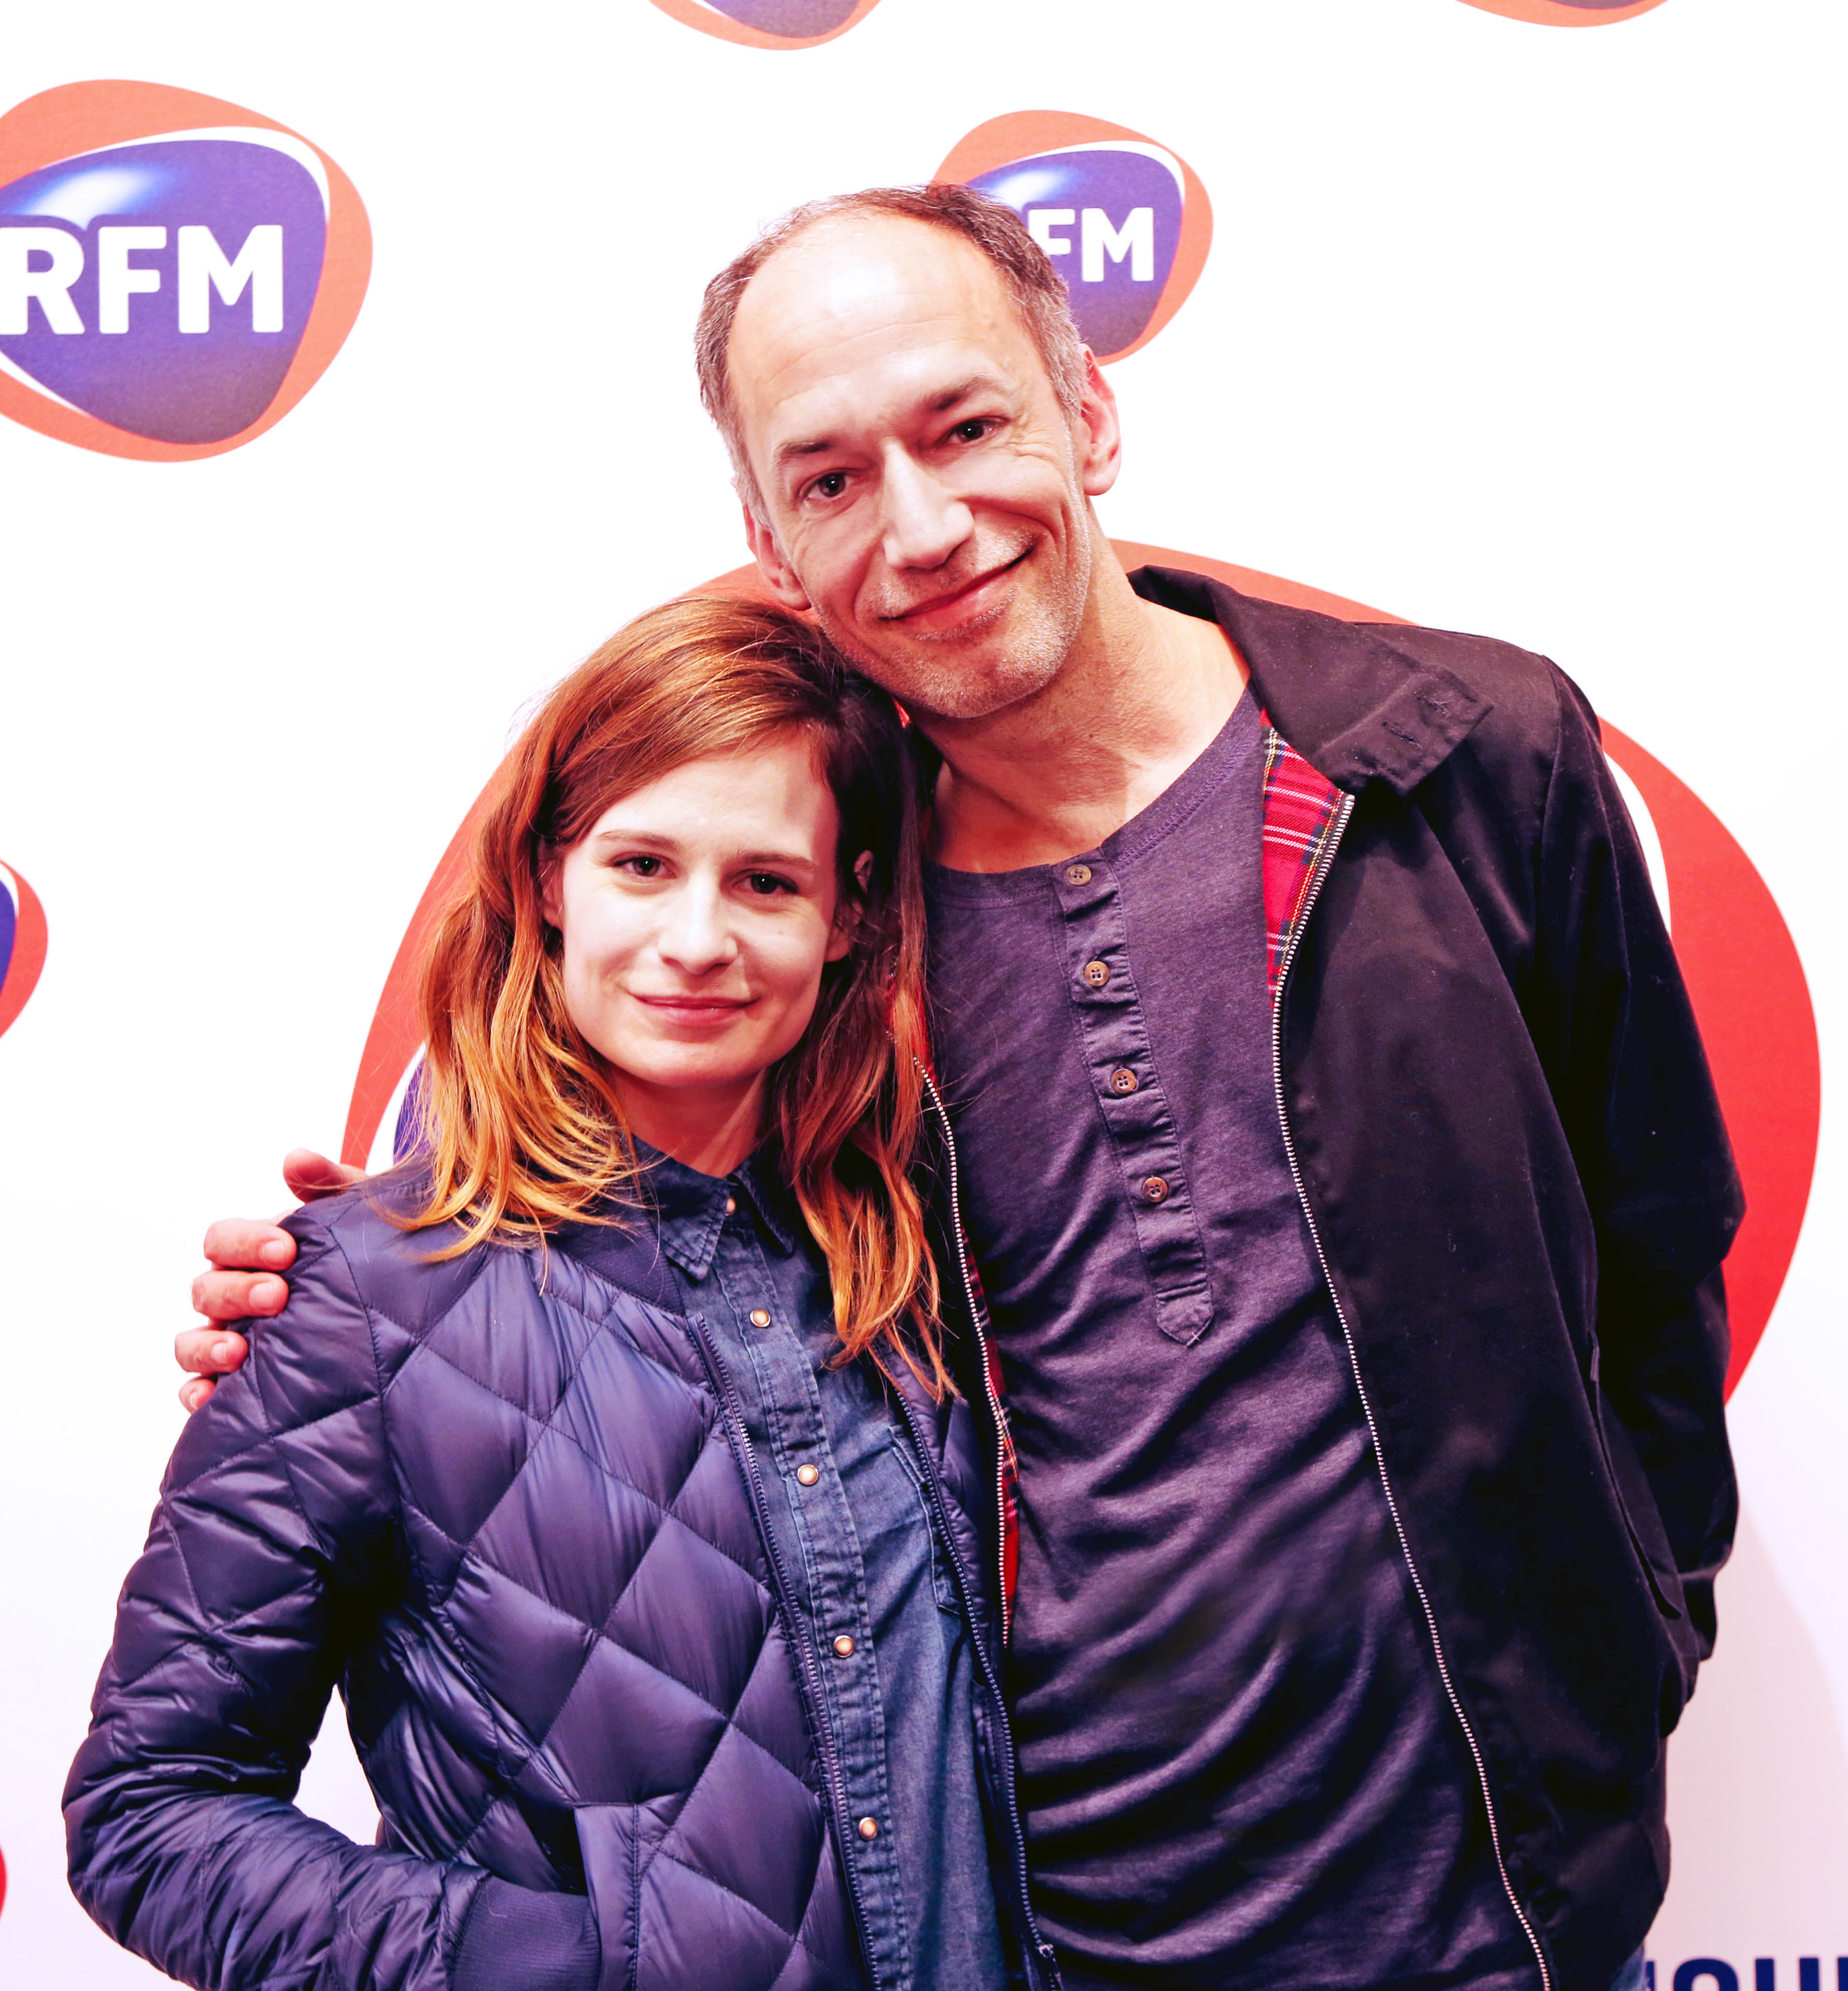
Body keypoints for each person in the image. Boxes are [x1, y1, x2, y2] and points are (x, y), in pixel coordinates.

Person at [184, 186, 1742, 1991]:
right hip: (1041, 1941)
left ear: (1086, 415)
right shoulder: (806, 926)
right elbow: (562, 1275)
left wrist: (1635, 1645)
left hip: (1519, 1918)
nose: (922, 528)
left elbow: (1656, 1255)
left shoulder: (1462, 761)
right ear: (773, 542)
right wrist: (325, 1299)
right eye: (832, 479)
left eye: (966, 426)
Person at [71, 596, 1044, 1991]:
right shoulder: (359, 1297)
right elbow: (150, 1816)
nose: (698, 939)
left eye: (766, 883)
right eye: (642, 865)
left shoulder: (923, 1243)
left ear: (847, 916)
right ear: (546, 882)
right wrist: (566, 1964)